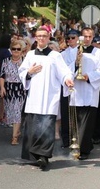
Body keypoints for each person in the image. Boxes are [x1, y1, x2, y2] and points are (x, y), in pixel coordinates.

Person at [19, 27, 74, 168]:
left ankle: (43, 156)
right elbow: (22, 72)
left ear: (48, 37)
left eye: (44, 36)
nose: (41, 38)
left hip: (50, 97)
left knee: (47, 126)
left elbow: (64, 72)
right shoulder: (30, 55)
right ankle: (33, 155)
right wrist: (29, 73)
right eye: (39, 36)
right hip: (35, 97)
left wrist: (67, 79)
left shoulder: (55, 56)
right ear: (36, 38)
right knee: (33, 126)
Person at [67, 27, 100, 159]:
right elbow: (67, 69)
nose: (87, 39)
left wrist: (89, 76)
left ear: (93, 37)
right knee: (76, 121)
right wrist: (76, 64)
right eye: (85, 36)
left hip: (90, 91)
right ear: (81, 37)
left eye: (90, 36)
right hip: (76, 91)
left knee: (87, 123)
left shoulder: (98, 53)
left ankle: (83, 149)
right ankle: (79, 145)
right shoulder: (74, 52)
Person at [0, 39, 26, 145]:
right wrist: (2, 87)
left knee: (17, 111)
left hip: (20, 88)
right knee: (10, 112)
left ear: (21, 50)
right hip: (9, 88)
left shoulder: (24, 61)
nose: (16, 51)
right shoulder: (6, 61)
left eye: (18, 49)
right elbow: (2, 75)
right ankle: (17, 130)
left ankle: (14, 137)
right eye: (13, 49)